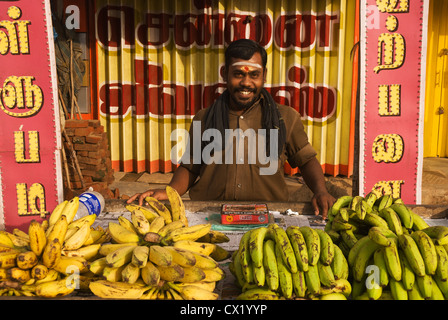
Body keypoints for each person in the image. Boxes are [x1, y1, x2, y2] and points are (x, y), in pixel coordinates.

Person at [127, 39, 335, 219]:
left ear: (264, 75)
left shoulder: (285, 118)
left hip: (269, 215)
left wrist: (320, 190)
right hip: (209, 214)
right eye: (238, 74)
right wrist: (169, 191)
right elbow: (190, 167)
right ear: (225, 73)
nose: (246, 83)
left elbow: (306, 159)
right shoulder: (205, 118)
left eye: (254, 75)